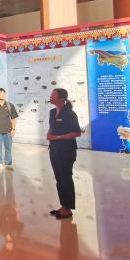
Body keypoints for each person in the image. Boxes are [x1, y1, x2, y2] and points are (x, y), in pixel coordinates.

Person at [47, 88, 82, 220]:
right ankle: (63, 206)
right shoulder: (52, 112)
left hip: (66, 150)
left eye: (53, 94)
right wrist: (49, 134)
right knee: (59, 178)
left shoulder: (70, 114)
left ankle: (68, 209)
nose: (51, 95)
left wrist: (57, 137)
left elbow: (77, 132)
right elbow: (51, 127)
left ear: (61, 98)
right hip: (54, 149)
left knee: (66, 178)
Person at [0, 88, 18, 170]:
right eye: (0, 93)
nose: (2, 94)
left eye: (3, 93)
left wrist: (13, 129)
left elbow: (13, 118)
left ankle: (8, 163)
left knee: (8, 147)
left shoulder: (10, 105)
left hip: (8, 130)